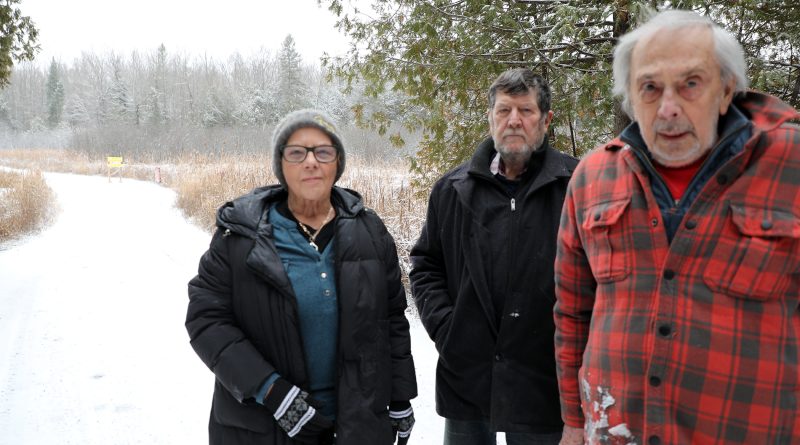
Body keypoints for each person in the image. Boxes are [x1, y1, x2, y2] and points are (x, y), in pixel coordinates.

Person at [555, 9, 800, 445]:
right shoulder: (592, 176)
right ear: (630, 98)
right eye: (650, 88)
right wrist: (574, 422)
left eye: (690, 84)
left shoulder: (790, 164)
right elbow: (573, 312)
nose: (668, 109)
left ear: (726, 90)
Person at [186, 109, 418, 445]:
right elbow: (206, 319)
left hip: (354, 422)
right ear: (280, 164)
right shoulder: (240, 235)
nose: (311, 162)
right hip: (263, 425)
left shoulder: (369, 231)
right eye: (297, 152)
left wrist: (399, 397)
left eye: (323, 151)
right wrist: (270, 390)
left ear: (338, 163)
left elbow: (392, 319)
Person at [410, 68, 578, 445]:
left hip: (545, 382)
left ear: (546, 120)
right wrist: (448, 329)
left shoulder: (576, 185)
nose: (514, 120)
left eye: (526, 110)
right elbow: (425, 266)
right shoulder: (453, 190)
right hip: (468, 376)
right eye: (503, 110)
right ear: (490, 118)